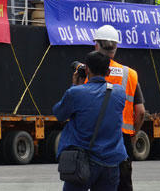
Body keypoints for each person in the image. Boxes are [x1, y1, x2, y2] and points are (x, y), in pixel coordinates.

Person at [77, 25, 145, 191]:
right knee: (123, 184)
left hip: (94, 137)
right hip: (121, 139)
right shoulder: (130, 74)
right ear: (116, 47)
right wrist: (134, 135)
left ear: (96, 46)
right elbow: (141, 112)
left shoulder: (87, 72)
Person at [54, 51, 128, 191]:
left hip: (83, 161)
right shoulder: (119, 93)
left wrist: (75, 85)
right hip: (111, 162)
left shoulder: (76, 93)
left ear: (87, 69)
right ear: (108, 71)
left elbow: (59, 114)